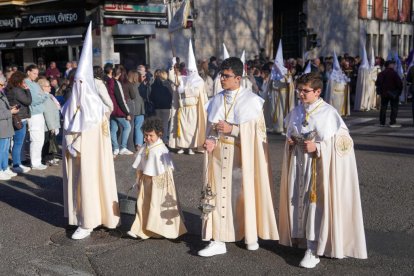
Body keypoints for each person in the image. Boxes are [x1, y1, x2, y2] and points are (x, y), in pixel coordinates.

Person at [279, 72, 367, 268]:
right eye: (299, 90)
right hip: (299, 163)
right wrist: (291, 141)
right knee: (298, 201)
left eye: (305, 91)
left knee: (315, 205)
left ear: (318, 92)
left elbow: (343, 143)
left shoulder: (329, 113)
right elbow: (291, 132)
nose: (300, 94)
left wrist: (318, 147)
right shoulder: (297, 111)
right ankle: (301, 239)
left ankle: (313, 249)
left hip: (319, 166)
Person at [198, 57, 279, 257]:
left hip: (241, 156)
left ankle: (248, 234)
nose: (222, 79)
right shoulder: (216, 99)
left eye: (226, 76)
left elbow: (257, 135)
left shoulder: (251, 101)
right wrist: (210, 139)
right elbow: (212, 128)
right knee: (217, 195)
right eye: (221, 75)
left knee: (241, 196)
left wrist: (233, 129)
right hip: (218, 156)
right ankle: (218, 239)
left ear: (238, 78)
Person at [62, 23, 120, 240]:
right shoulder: (70, 104)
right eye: (75, 82)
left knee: (90, 183)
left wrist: (77, 144)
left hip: (89, 157)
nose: (78, 86)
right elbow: (69, 124)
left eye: (81, 82)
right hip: (73, 155)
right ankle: (79, 217)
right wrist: (69, 144)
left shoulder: (95, 109)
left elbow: (92, 134)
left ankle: (89, 221)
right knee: (76, 185)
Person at [127, 117, 187, 239]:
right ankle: (139, 228)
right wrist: (138, 179)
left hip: (158, 182)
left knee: (156, 205)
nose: (148, 138)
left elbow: (166, 169)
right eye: (145, 135)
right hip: (146, 180)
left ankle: (155, 229)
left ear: (159, 134)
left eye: (151, 135)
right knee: (142, 204)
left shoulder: (161, 149)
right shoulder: (146, 146)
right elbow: (140, 164)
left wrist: (161, 185)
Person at [168, 40, 207, 155]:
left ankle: (191, 147)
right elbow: (173, 78)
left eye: (192, 71)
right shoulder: (183, 79)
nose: (190, 73)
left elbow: (196, 92)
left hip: (193, 109)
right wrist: (172, 65)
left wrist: (184, 90)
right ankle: (182, 146)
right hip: (183, 108)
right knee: (182, 128)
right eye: (189, 71)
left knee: (191, 129)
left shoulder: (199, 81)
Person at [5, 71, 32, 173]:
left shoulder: (10, 89)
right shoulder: (17, 90)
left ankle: (17, 163)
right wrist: (27, 90)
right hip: (20, 118)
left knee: (17, 142)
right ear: (19, 80)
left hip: (16, 117)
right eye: (23, 80)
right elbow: (28, 101)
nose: (24, 82)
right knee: (18, 143)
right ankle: (16, 165)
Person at [104, 63, 133, 156]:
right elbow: (120, 99)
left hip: (111, 109)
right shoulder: (115, 83)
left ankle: (115, 148)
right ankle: (123, 147)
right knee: (127, 127)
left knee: (113, 129)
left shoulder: (106, 81)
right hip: (118, 110)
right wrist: (127, 113)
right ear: (119, 74)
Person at [267, 40, 295, 134]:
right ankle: (274, 127)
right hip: (274, 93)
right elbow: (269, 83)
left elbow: (290, 83)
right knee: (273, 110)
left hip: (283, 94)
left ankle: (283, 127)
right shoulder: (273, 72)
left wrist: (285, 76)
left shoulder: (286, 72)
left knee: (282, 111)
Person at [25, 64, 49, 170]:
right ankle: (35, 163)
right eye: (34, 73)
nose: (36, 75)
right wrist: (43, 95)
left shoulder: (34, 84)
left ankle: (37, 161)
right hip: (33, 114)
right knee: (35, 139)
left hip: (39, 112)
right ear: (28, 72)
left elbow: (40, 95)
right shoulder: (27, 83)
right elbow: (34, 99)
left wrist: (42, 95)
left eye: (37, 74)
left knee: (40, 139)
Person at [0, 75, 19, 180]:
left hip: (6, 126)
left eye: (3, 84)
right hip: (1, 127)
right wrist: (10, 112)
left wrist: (10, 108)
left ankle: (4, 167)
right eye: (1, 85)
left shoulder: (1, 93)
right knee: (1, 150)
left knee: (6, 149)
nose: (3, 87)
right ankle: (0, 170)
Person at [38, 79, 61, 166]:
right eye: (48, 86)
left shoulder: (49, 96)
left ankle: (51, 157)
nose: (50, 87)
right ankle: (47, 159)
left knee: (52, 142)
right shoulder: (44, 97)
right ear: (42, 87)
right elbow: (48, 113)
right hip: (48, 125)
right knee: (47, 142)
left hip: (52, 123)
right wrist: (52, 127)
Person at [375, 60, 403, 127]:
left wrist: (381, 90)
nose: (394, 65)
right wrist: (399, 92)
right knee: (394, 108)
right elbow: (399, 84)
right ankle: (392, 122)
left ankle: (382, 122)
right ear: (390, 65)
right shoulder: (394, 73)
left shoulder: (381, 73)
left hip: (384, 93)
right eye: (393, 64)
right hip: (393, 93)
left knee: (383, 107)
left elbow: (377, 83)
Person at [324, 52, 351, 117]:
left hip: (341, 93)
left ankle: (339, 115)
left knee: (340, 107)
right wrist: (331, 96)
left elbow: (345, 81)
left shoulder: (341, 74)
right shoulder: (332, 77)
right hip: (335, 94)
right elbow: (330, 88)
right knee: (335, 107)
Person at [150, 70, 173, 144]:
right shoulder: (168, 84)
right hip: (166, 107)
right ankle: (164, 140)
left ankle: (157, 139)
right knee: (165, 124)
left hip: (157, 107)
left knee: (157, 124)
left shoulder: (154, 85)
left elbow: (151, 96)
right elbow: (171, 95)